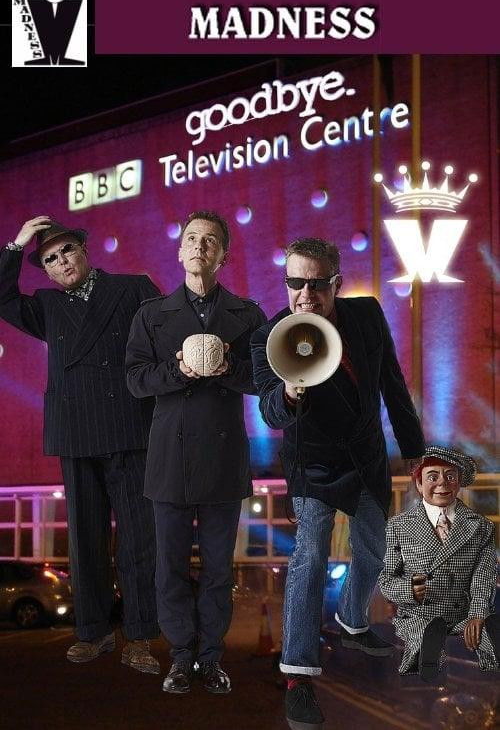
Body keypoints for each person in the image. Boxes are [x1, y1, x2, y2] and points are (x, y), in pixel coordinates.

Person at [250, 237, 425, 729]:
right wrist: (288, 392)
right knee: (310, 557)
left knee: (374, 547)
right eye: (295, 282)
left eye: (317, 284)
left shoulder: (367, 315)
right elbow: (270, 411)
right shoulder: (268, 337)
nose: (305, 295)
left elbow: (391, 382)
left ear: (337, 284)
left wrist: (414, 450)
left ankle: (352, 621)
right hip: (314, 464)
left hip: (365, 455)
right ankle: (298, 676)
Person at [0, 216, 160, 673]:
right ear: (46, 270)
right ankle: (92, 633)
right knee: (85, 541)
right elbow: (1, 296)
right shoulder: (46, 305)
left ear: (84, 250)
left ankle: (140, 638)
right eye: (50, 258)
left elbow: (163, 338)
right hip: (74, 432)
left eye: (67, 250)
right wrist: (17, 244)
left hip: (129, 428)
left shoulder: (132, 288)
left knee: (138, 542)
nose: (61, 261)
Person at [126, 210, 267, 695]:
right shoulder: (151, 315)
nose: (199, 246)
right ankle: (181, 658)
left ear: (223, 255)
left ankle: (211, 659)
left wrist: (225, 368)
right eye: (191, 238)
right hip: (169, 458)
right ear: (179, 250)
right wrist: (180, 369)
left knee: (218, 571)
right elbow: (135, 381)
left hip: (224, 461)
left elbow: (262, 380)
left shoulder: (248, 314)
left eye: (210, 240)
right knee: (168, 569)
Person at [378, 446, 499, 680]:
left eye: (450, 476)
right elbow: (387, 580)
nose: (442, 483)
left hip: (463, 613)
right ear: (419, 484)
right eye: (432, 477)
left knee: (488, 641)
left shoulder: (481, 526)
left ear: (459, 482)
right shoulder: (398, 526)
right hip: (419, 614)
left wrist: (478, 613)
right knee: (422, 639)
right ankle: (428, 658)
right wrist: (409, 590)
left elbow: (483, 577)